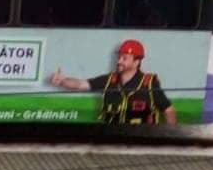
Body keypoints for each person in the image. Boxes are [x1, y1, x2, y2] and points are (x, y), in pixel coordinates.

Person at [48, 38, 176, 125]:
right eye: (119, 57)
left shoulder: (149, 83)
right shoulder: (109, 80)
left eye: (124, 58)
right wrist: (63, 81)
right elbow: (81, 84)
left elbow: (168, 110)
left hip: (140, 143)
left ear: (136, 62)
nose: (119, 61)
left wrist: (170, 139)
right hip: (112, 141)